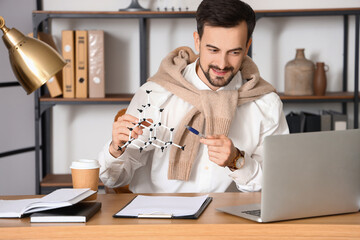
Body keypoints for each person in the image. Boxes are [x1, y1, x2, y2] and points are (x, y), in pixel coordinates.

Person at [98, 0, 289, 193]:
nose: (222, 64)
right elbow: (115, 179)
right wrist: (115, 148)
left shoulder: (265, 103)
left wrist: (236, 161)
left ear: (247, 46)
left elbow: (277, 183)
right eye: (213, 50)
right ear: (197, 41)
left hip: (230, 219)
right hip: (158, 216)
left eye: (234, 52)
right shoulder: (155, 94)